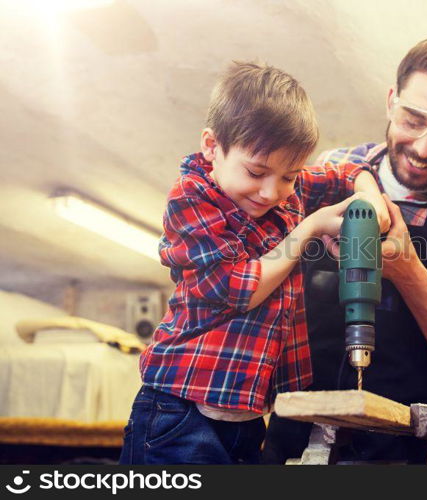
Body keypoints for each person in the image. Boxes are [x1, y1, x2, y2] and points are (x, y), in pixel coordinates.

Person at [263, 35, 427, 464]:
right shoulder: (326, 176)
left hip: (400, 454)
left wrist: (408, 272)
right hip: (288, 446)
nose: (425, 148)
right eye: (412, 119)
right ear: (391, 101)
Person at [119, 61, 387, 465]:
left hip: (246, 418)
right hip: (179, 411)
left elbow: (347, 171)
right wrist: (309, 227)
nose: (271, 192)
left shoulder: (282, 188)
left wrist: (370, 198)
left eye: (289, 177)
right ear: (212, 146)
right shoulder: (190, 198)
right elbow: (237, 287)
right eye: (256, 172)